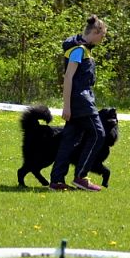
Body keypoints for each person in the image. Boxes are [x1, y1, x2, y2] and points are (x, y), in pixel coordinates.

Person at [49, 15, 107, 192]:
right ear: (95, 32)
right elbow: (68, 78)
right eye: (102, 35)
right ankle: (81, 177)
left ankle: (57, 181)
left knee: (69, 140)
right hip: (81, 101)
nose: (103, 39)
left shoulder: (84, 50)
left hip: (80, 100)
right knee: (98, 134)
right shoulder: (78, 50)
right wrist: (66, 106)